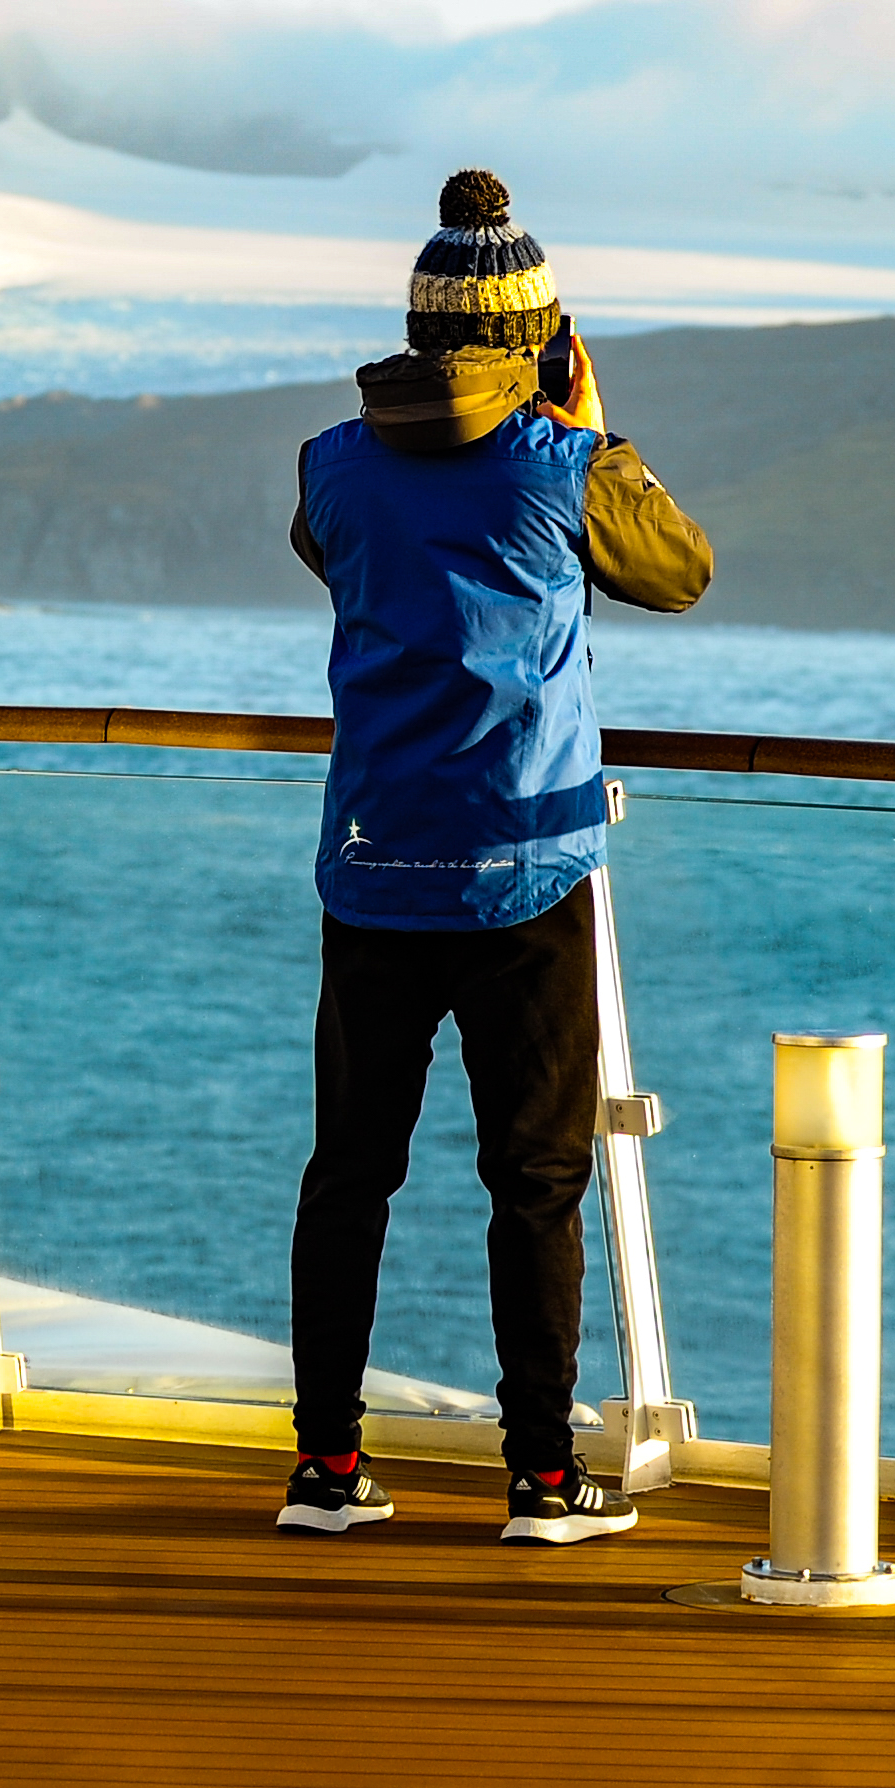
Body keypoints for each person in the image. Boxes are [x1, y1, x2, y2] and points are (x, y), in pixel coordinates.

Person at [276, 168, 714, 1544]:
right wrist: (590, 428)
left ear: (415, 332)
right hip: (524, 869)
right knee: (533, 1181)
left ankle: (328, 1471)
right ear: (545, 344)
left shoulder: (330, 464)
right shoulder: (562, 465)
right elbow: (679, 570)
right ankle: (539, 1476)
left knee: (352, 1171)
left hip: (374, 859)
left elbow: (329, 550)